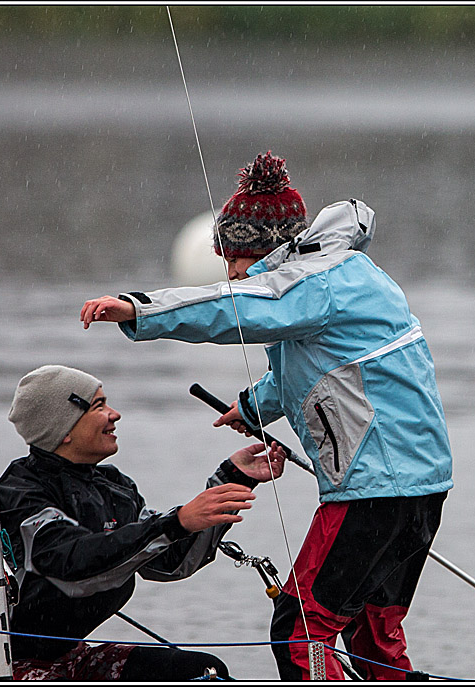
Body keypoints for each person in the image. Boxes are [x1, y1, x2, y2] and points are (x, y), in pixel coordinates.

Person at [79, 151, 453, 680]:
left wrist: (138, 309)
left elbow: (231, 311)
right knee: (373, 626)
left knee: (301, 625)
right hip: (421, 486)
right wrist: (253, 405)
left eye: (232, 265)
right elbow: (319, 369)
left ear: (261, 253)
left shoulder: (310, 284)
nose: (230, 277)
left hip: (373, 490)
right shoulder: (343, 275)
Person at [0, 364, 286, 681]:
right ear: (64, 429)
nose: (115, 414)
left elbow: (170, 563)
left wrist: (232, 481)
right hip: (2, 667)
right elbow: (69, 564)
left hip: (71, 659)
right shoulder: (18, 492)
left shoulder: (115, 487)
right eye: (99, 405)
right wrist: (176, 522)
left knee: (203, 671)